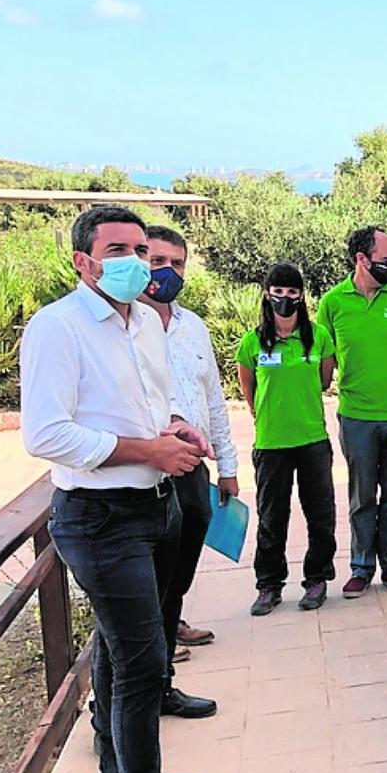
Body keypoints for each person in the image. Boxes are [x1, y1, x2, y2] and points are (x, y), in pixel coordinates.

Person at [20, 204, 215, 773]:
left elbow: (150, 407)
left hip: (153, 505)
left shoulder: (146, 329)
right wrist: (144, 450)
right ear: (83, 262)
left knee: (118, 646)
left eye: (141, 248)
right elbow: (46, 435)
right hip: (99, 517)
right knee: (141, 661)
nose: (135, 261)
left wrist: (178, 430)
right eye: (118, 250)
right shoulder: (60, 328)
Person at [137, 224, 237, 720]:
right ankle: (132, 697)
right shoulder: (126, 327)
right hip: (147, 474)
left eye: (176, 263)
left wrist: (229, 464)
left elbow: (214, 400)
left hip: (193, 470)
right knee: (144, 587)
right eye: (156, 262)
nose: (167, 273)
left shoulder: (193, 327)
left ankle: (163, 684)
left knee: (177, 578)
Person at [316, 226, 387, 599]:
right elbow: (323, 357)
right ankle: (361, 567)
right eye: (386, 261)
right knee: (362, 494)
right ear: (362, 260)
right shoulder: (333, 303)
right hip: (357, 415)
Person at [237, 262, 337, 615]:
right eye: (277, 292)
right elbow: (248, 389)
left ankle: (317, 579)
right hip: (271, 443)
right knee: (271, 518)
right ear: (267, 295)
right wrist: (265, 414)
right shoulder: (252, 342)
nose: (285, 298)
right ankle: (268, 585)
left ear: (301, 296)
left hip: (312, 439)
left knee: (320, 514)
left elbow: (324, 381)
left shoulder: (319, 337)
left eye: (292, 292)